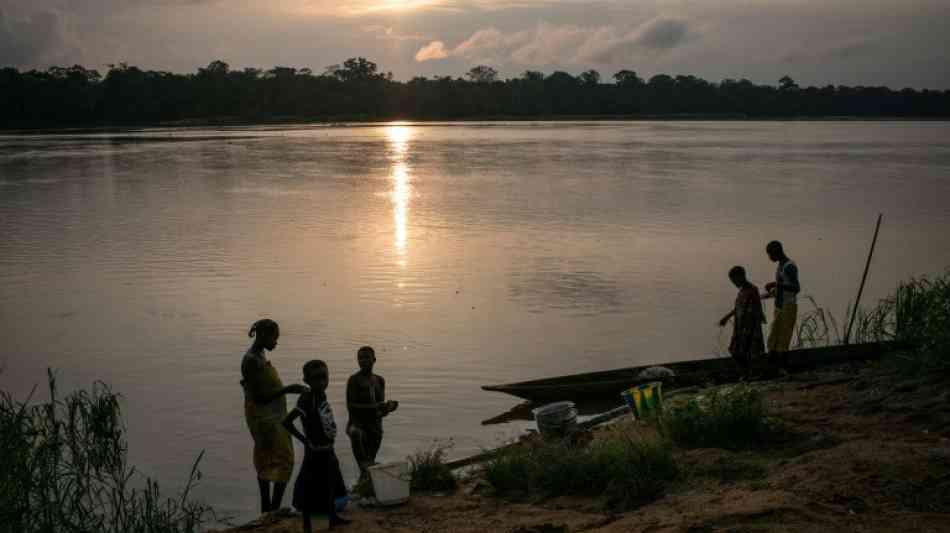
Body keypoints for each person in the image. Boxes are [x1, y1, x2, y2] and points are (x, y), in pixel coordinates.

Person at [241, 319, 308, 514]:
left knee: (268, 458)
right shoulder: (251, 360)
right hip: (264, 418)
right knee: (283, 460)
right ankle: (272, 509)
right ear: (263, 335)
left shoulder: (259, 355)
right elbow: (258, 397)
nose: (276, 343)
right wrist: (288, 389)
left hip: (271, 415)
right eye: (274, 338)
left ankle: (268, 510)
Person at [283, 360, 351, 531]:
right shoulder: (306, 399)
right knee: (310, 490)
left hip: (328, 450)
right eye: (315, 379)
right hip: (314, 453)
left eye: (324, 378)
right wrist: (304, 440)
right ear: (306, 380)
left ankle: (332, 517)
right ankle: (307, 526)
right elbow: (286, 422)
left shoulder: (321, 395)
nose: (321, 382)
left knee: (330, 484)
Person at [346, 346, 398, 481]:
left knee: (369, 463)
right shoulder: (354, 380)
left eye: (366, 357)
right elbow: (351, 407)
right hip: (358, 427)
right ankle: (363, 489)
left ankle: (364, 490)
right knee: (364, 465)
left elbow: (379, 411)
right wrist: (377, 406)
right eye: (360, 358)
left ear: (374, 360)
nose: (363, 361)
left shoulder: (380, 380)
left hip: (375, 428)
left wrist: (388, 408)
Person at [719, 266, 767, 373]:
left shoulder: (752, 290)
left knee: (750, 352)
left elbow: (757, 309)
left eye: (734, 281)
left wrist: (754, 328)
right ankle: (746, 372)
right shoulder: (741, 292)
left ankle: (750, 373)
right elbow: (738, 308)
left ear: (741, 277)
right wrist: (727, 317)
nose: (734, 284)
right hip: (740, 326)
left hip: (750, 327)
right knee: (735, 350)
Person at [763, 241, 801, 365]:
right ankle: (773, 367)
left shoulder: (789, 266)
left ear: (777, 251)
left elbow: (796, 288)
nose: (769, 257)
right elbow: (784, 288)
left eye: (770, 254)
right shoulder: (780, 265)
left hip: (788, 307)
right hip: (779, 307)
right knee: (773, 339)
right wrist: (768, 294)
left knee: (783, 340)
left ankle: (782, 367)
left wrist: (775, 284)